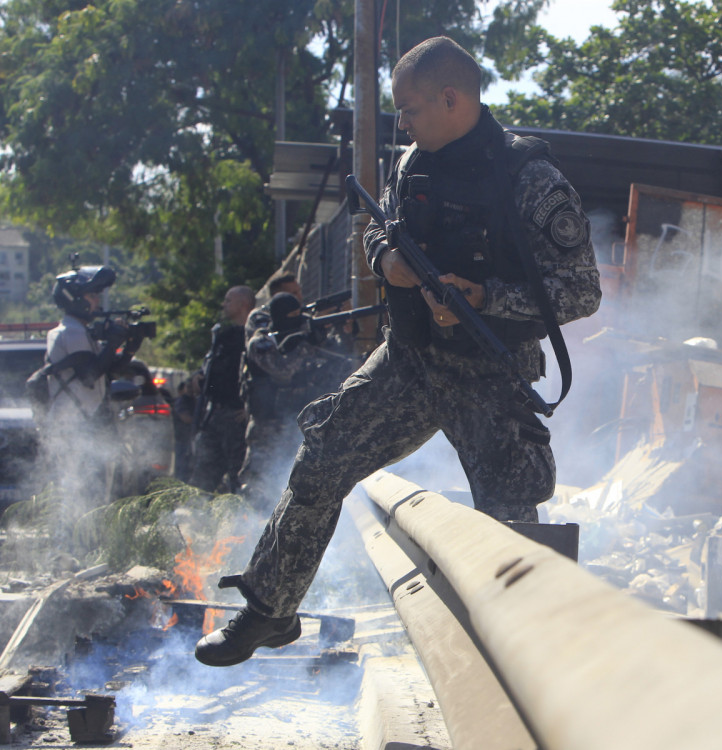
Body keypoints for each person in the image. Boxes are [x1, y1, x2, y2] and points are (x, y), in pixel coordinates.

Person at [195, 36, 601, 667]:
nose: (402, 122)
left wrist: (484, 295)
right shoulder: (413, 161)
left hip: (490, 373)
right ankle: (270, 612)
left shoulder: (531, 180)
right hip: (409, 360)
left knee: (509, 515)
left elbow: (581, 291)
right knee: (323, 456)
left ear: (451, 97)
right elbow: (380, 226)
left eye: (410, 109)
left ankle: (532, 661)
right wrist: (386, 259)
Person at [41, 264, 144, 510]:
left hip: (83, 424)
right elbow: (89, 376)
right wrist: (113, 342)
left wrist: (128, 348)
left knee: (93, 497)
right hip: (75, 427)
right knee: (81, 498)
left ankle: (83, 544)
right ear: (75, 299)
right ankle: (73, 545)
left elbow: (108, 371)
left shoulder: (79, 331)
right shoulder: (71, 332)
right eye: (92, 295)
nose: (97, 301)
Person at [238, 292, 350, 510]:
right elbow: (282, 371)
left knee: (289, 484)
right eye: (291, 315)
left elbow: (340, 360)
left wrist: (336, 332)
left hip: (295, 424)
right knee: (258, 486)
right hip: (266, 427)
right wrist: (305, 342)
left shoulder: (299, 337)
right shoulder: (261, 341)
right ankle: (247, 530)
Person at [190, 285, 255, 494]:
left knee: (238, 475)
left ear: (243, 304)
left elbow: (258, 377)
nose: (223, 305)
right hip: (216, 414)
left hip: (236, 417)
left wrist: (249, 409)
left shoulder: (253, 338)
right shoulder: (224, 337)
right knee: (203, 476)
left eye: (229, 300)